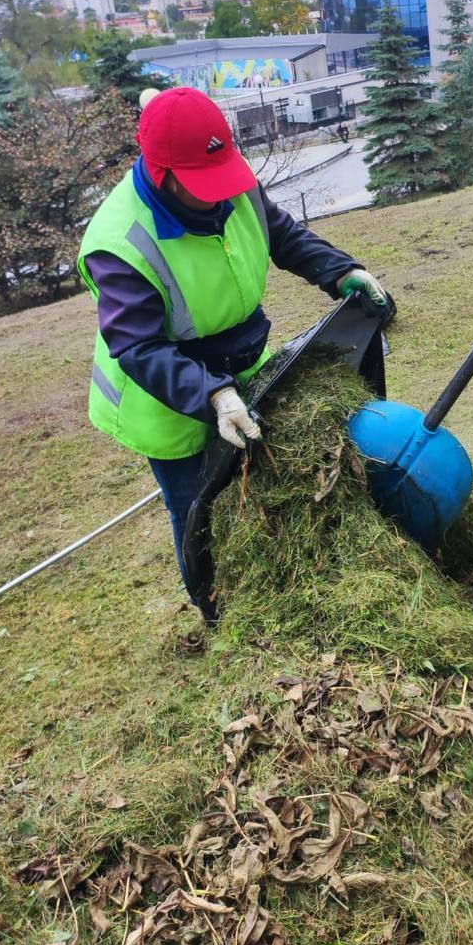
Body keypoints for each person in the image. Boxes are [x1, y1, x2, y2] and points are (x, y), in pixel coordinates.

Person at [78, 86, 387, 605]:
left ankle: (271, 587)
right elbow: (138, 347)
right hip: (170, 396)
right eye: (204, 185)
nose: (222, 194)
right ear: (163, 175)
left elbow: (282, 236)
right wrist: (214, 396)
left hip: (241, 365)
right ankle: (217, 611)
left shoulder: (230, 184)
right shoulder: (119, 242)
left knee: (255, 484)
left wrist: (342, 271)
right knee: (198, 508)